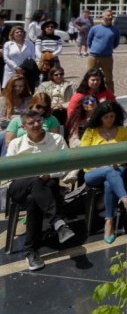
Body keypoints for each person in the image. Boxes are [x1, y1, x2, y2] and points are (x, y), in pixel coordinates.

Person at [5, 109, 75, 271]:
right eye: (31, 123)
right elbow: (10, 171)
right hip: (19, 186)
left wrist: (50, 173)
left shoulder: (56, 140)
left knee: (33, 198)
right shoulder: (16, 144)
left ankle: (30, 251)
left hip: (46, 185)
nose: (37, 124)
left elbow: (67, 166)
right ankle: (57, 222)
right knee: (35, 182)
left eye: (39, 120)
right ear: (24, 127)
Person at [80, 101, 127, 242]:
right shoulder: (91, 131)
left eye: (112, 116)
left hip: (118, 169)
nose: (109, 120)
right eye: (106, 117)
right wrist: (103, 164)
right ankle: (126, 201)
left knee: (109, 183)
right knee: (108, 170)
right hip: (93, 171)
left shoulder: (121, 130)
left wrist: (118, 161)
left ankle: (109, 222)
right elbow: (83, 154)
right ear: (100, 117)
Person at [66, 68, 116, 141]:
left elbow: (115, 108)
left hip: (104, 125)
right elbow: (71, 115)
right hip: (81, 128)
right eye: (93, 80)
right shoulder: (78, 96)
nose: (95, 82)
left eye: (98, 80)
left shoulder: (107, 93)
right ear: (87, 80)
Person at [86, 10, 120, 91]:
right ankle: (88, 93)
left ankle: (110, 96)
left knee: (108, 78)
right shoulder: (94, 28)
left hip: (107, 58)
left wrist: (107, 49)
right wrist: (96, 49)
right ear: (103, 16)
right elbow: (89, 41)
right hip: (94, 57)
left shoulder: (115, 30)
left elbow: (116, 43)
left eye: (111, 15)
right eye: (108, 15)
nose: (110, 17)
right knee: (90, 76)